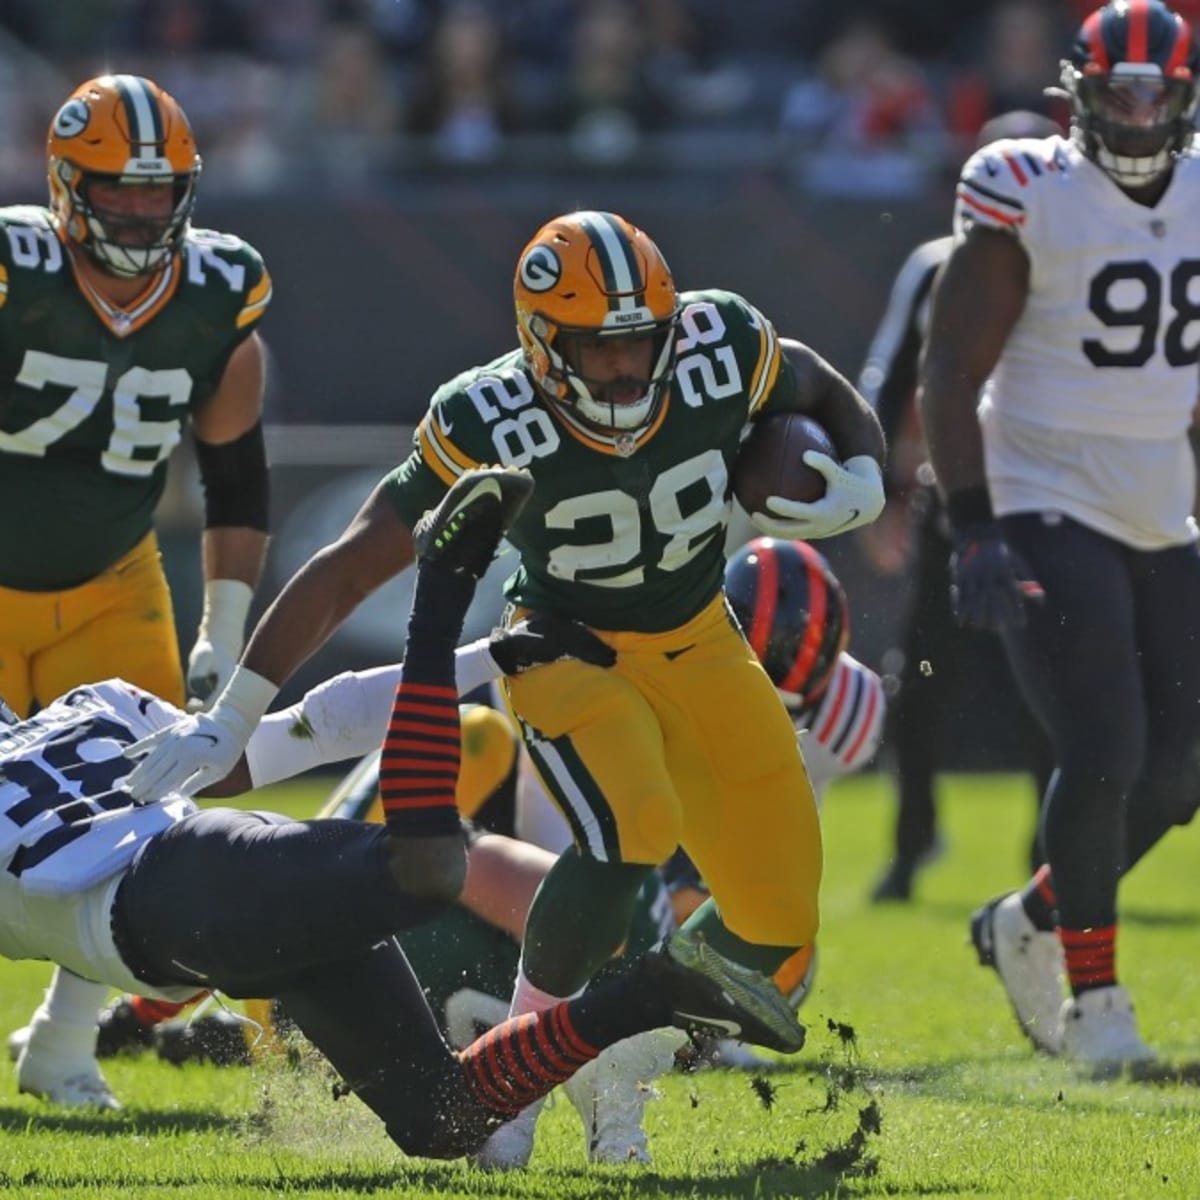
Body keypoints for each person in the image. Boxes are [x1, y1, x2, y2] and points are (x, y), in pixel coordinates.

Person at [123, 210, 886, 1165]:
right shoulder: (489, 413)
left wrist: (866, 464)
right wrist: (237, 714)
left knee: (780, 915)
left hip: (697, 637)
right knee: (633, 831)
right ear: (541, 343)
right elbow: (355, 560)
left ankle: (613, 1039)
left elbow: (811, 376)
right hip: (567, 643)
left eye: (640, 341)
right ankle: (514, 1085)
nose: (625, 368)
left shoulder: (717, 340)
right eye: (598, 350)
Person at [0, 467, 807, 1154]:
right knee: (445, 1126)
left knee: (428, 868)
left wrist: (475, 653)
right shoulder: (91, 709)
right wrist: (489, 658)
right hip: (208, 905)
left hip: (188, 879)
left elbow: (288, 741)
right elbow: (303, 733)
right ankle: (652, 995)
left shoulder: (81, 719)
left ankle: (443, 588)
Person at [920, 0, 1200, 1070]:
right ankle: (1097, 1007)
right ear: (1077, 92)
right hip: (1041, 491)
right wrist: (976, 524)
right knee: (1107, 746)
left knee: (1182, 767)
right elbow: (949, 370)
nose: (1136, 116)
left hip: (1155, 500)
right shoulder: (1027, 185)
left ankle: (1030, 917)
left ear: (1181, 97)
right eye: (1118, 92)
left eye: (1155, 94)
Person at [2, 73, 273, 1108]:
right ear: (69, 188)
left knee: (136, 817)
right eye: (118, 191)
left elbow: (236, 477)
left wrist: (228, 626)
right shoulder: (14, 267)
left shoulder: (217, 296)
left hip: (115, 581)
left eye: (162, 194)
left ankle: (64, 1046)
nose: (142, 213)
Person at [855, 110, 1060, 903]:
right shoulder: (939, 264)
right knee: (925, 674)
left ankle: (1047, 858)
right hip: (959, 499)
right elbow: (892, 376)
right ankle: (912, 845)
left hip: (1052, 499)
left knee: (1058, 681)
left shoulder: (1076, 270)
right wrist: (887, 497)